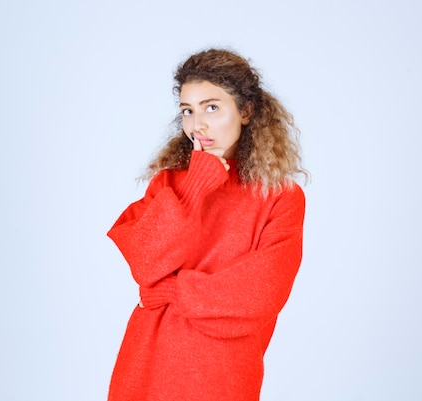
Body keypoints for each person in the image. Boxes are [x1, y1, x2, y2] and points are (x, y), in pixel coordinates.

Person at [106, 48, 308, 401]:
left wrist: (170, 290)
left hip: (222, 375)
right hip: (146, 366)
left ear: (246, 111)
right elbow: (146, 262)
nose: (197, 124)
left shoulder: (280, 197)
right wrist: (198, 182)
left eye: (211, 107)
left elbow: (257, 296)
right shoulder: (168, 184)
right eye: (188, 111)